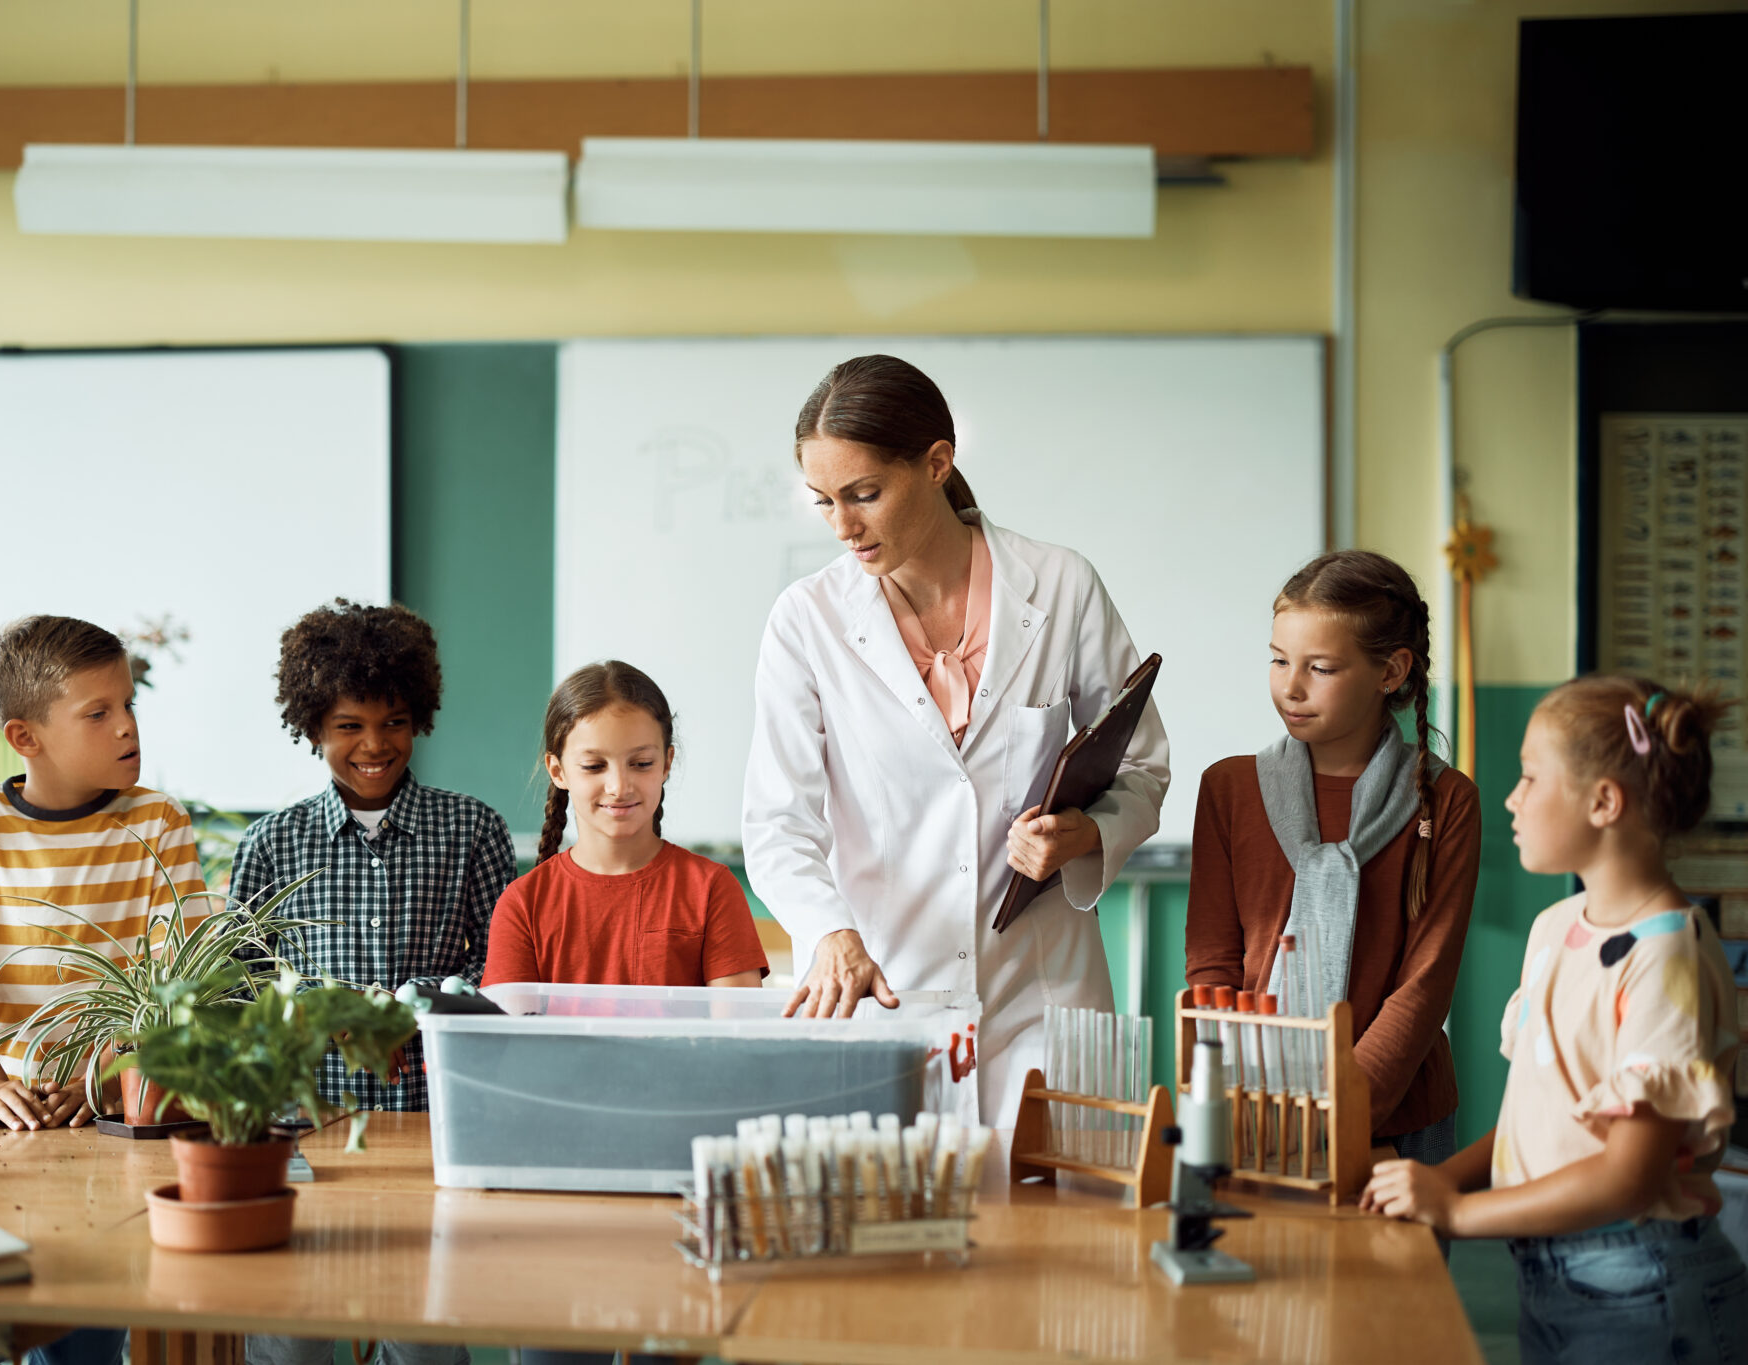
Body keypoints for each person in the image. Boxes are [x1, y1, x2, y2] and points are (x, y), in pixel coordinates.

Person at [742, 353, 1168, 1125]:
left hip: (1041, 990)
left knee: (1054, 1198)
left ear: (937, 463)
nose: (842, 527)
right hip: (888, 991)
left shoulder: (1060, 584)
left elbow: (1140, 762)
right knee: (898, 1195)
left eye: (864, 494)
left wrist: (1085, 833)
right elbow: (778, 821)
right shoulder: (807, 621)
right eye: (823, 501)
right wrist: (829, 932)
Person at [1364, 677, 1744, 1364]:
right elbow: (1536, 1121)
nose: (1512, 798)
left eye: (1530, 777)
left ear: (1604, 802)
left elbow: (1629, 1176)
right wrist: (1443, 1179)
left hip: (1645, 1290)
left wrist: (1457, 1212)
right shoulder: (1555, 928)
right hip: (1551, 1278)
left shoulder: (1668, 956)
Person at [230, 600, 511, 1365]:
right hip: (305, 1129)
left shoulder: (472, 829)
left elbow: (500, 971)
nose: (375, 744)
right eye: (349, 725)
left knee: (425, 1345)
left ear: (419, 717)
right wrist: (320, 1008)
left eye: (394, 722)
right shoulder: (272, 841)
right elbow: (240, 988)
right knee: (290, 1342)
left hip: (429, 1124)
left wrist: (404, 1007)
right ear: (313, 726)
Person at [1185, 550, 1479, 1165]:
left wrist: (1336, 1112)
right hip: (1254, 1108)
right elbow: (1213, 966)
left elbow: (1423, 987)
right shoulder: (1229, 789)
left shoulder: (1447, 800)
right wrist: (1231, 1097)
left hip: (1397, 1124)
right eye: (1278, 660)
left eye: (1319, 668)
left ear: (1390, 672)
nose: (1290, 687)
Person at [0, 615, 206, 1128]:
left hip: (116, 1106)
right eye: (97, 713)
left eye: (129, 704)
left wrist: (99, 1079)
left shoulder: (160, 821)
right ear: (25, 737)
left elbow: (175, 978)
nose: (126, 725)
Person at [485, 660, 765, 988]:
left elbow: (736, 1019)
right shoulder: (522, 904)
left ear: (666, 764)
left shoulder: (712, 890)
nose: (619, 787)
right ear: (558, 771)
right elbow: (509, 1021)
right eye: (593, 766)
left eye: (641, 763)